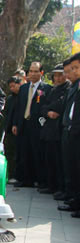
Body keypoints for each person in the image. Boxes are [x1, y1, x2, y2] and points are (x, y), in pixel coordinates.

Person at [12, 62, 52, 188]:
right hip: (23, 124)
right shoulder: (23, 88)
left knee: (37, 152)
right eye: (31, 71)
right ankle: (25, 179)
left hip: (38, 125)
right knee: (24, 152)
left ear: (41, 73)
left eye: (36, 71)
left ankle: (40, 180)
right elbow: (18, 108)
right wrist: (15, 124)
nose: (33, 74)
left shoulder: (47, 89)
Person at [38, 64, 70, 195]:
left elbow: (60, 105)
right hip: (48, 130)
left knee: (59, 161)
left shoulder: (68, 89)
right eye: (55, 75)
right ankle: (50, 185)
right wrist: (48, 112)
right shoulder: (52, 90)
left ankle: (60, 187)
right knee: (49, 159)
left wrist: (51, 109)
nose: (58, 78)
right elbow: (43, 106)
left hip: (59, 130)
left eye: (60, 74)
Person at [57, 53, 80, 217]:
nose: (72, 72)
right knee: (70, 167)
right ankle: (73, 199)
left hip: (77, 132)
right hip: (69, 130)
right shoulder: (74, 87)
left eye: (75, 68)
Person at [4, 76, 21, 184]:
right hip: (8, 129)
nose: (12, 88)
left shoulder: (22, 97)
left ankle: (17, 175)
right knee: (8, 152)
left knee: (17, 153)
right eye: (10, 87)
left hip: (18, 129)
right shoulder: (10, 98)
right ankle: (9, 174)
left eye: (13, 86)